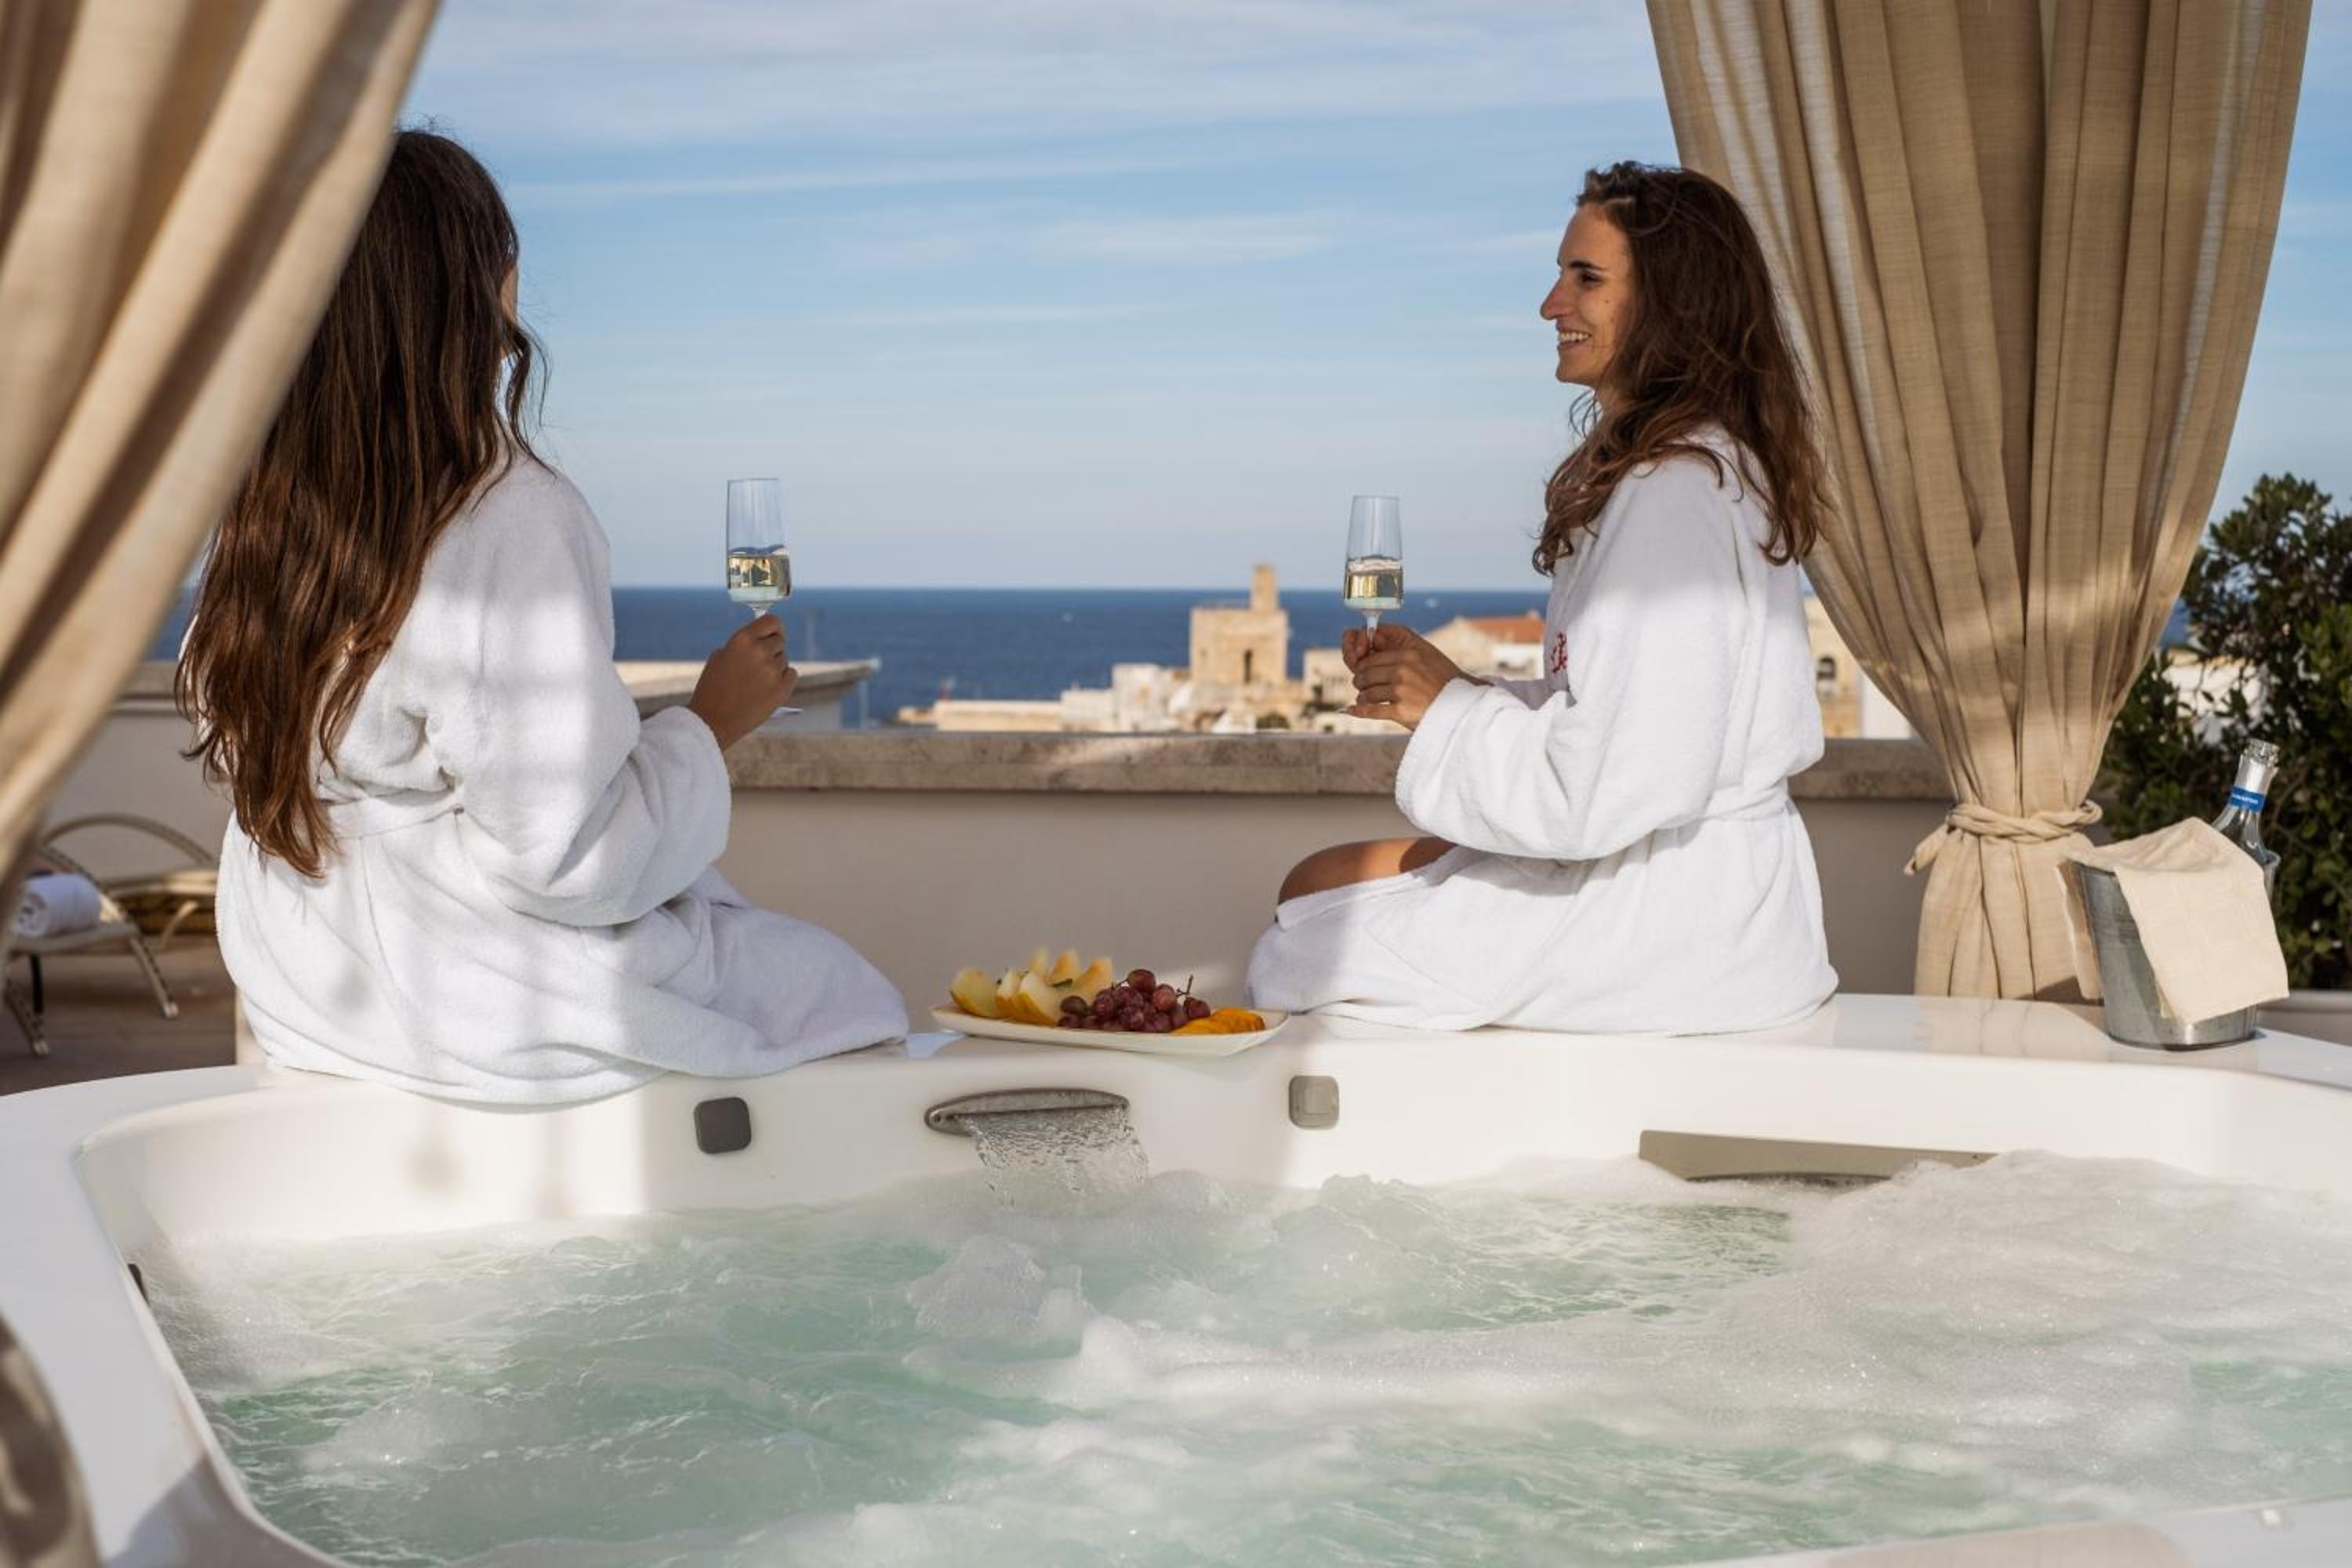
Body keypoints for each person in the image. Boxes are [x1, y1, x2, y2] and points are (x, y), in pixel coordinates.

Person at [178, 131, 906, 1104]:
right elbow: (573, 857)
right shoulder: (506, 516)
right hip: (479, 1000)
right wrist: (707, 724)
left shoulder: (261, 517)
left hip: (313, 990)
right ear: (474, 291)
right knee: (843, 997)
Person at [1247, 162, 1838, 1033]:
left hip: (1672, 925)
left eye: (1586, 278)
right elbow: (1632, 713)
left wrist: (1446, 709)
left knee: (1306, 948)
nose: (1550, 305)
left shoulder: (1677, 494)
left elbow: (1609, 784)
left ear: (1671, 302)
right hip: (1696, 893)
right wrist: (1458, 687)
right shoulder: (1692, 470)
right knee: (1313, 889)